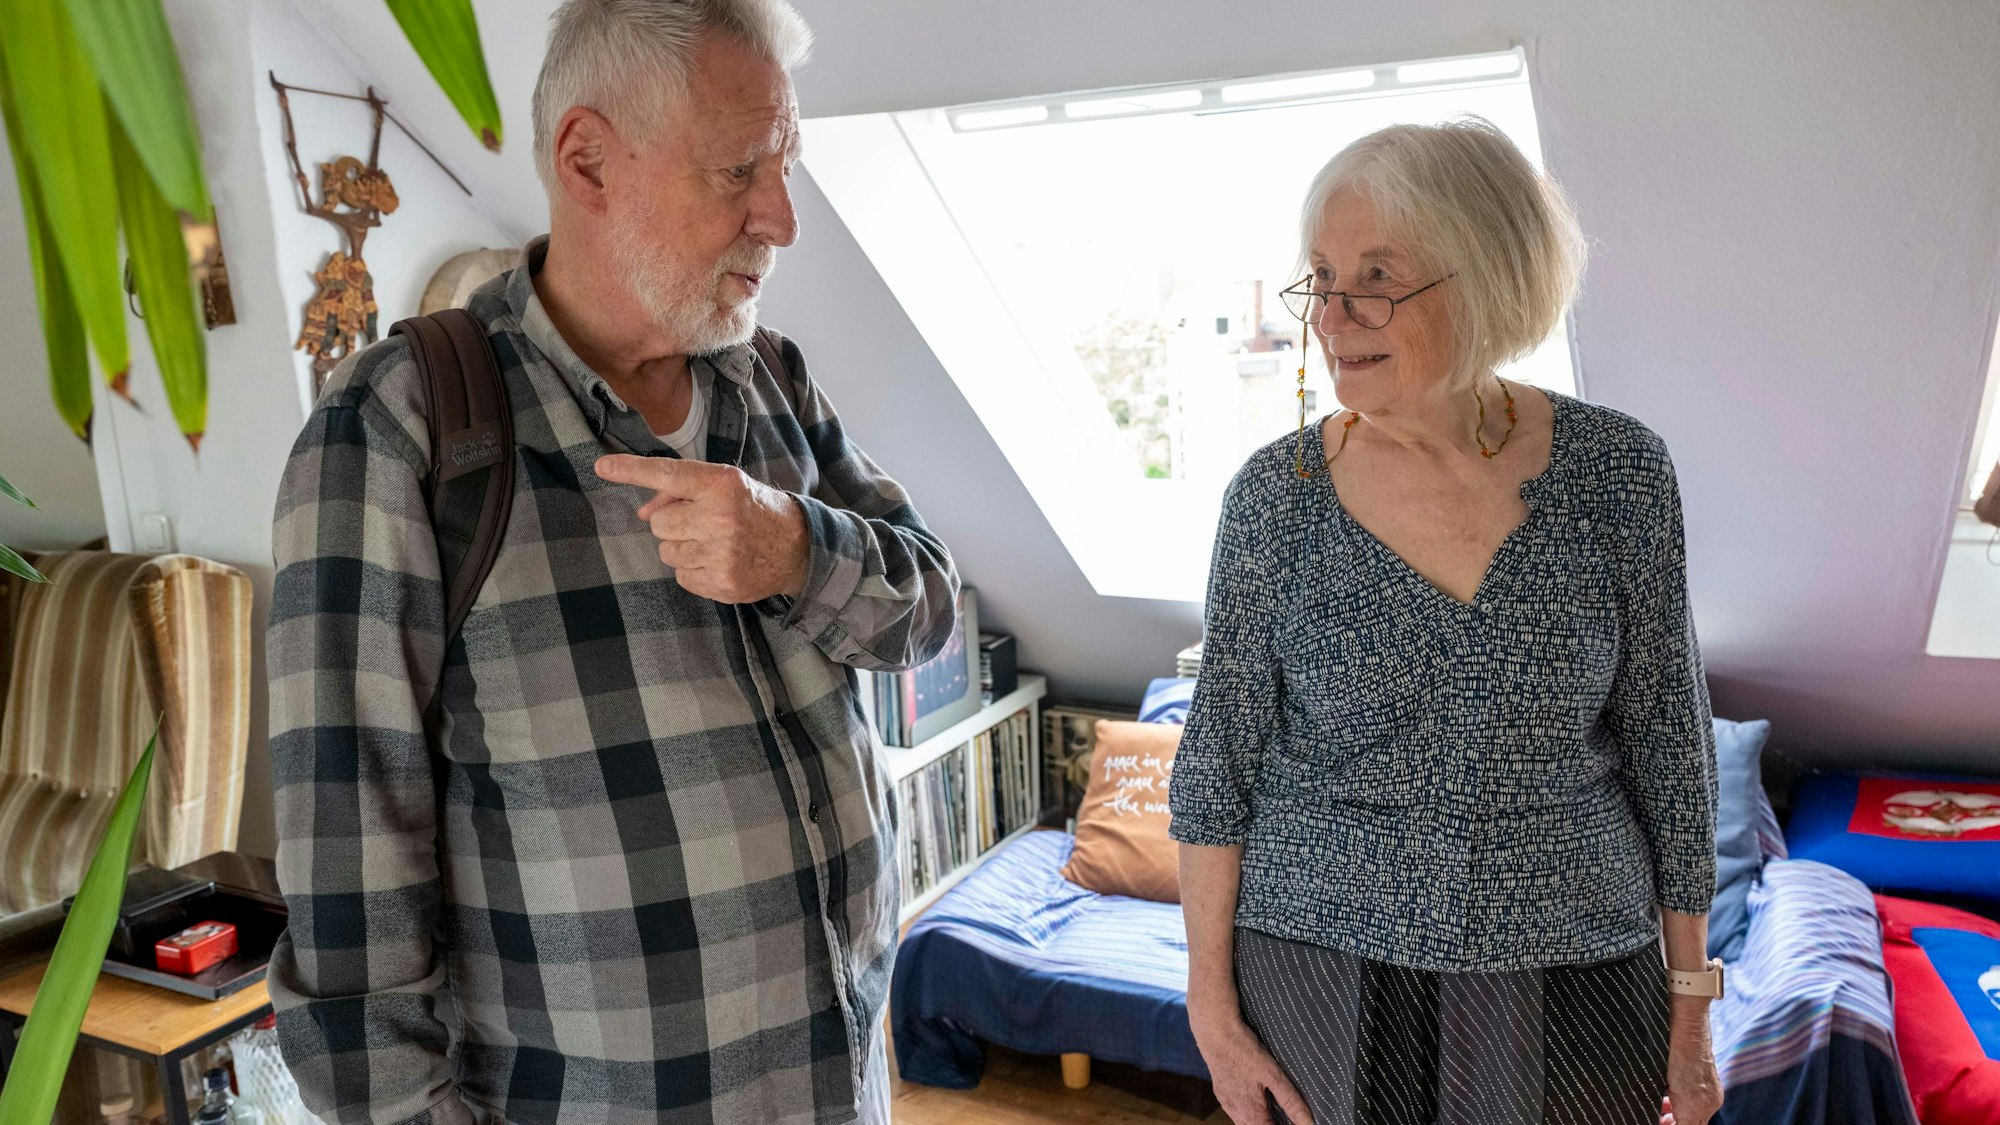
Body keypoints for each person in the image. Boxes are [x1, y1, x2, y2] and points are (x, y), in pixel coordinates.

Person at [265, 2, 959, 1122]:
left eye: (786, 167)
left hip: (838, 1081)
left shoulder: (768, 376)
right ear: (585, 159)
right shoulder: (400, 428)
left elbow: (930, 612)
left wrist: (793, 547)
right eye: (739, 170)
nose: (780, 220)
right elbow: (350, 901)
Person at [1168, 118, 1725, 1125]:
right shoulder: (1272, 497)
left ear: (1484, 277)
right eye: (1320, 278)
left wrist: (1692, 1009)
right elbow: (1215, 767)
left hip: (1579, 966)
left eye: (1374, 278)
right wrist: (1209, 1008)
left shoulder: (1617, 472)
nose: (1331, 318)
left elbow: (1671, 754)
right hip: (1316, 969)